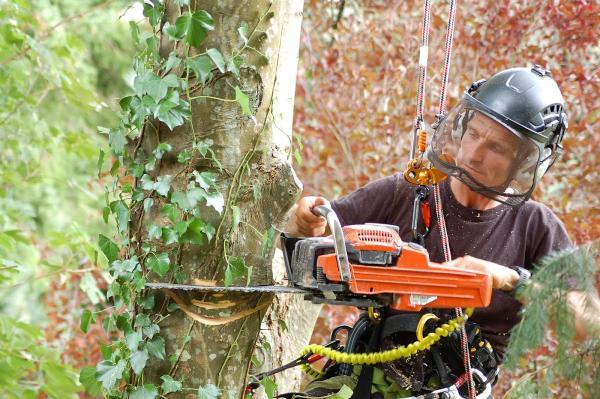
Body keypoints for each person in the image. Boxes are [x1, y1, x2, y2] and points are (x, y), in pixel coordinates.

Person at [284, 66, 597, 398]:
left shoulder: (536, 227)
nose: (475, 153)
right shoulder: (408, 192)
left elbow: (587, 324)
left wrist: (510, 280)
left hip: (456, 388)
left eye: (497, 148)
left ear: (524, 161)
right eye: (474, 134)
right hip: (367, 377)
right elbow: (313, 236)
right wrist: (305, 220)